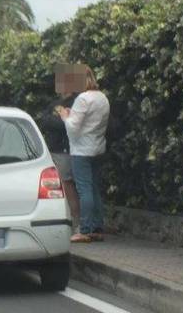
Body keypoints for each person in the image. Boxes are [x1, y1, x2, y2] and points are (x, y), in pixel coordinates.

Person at [58, 66, 110, 243]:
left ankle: (85, 230)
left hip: (81, 151)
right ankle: (97, 227)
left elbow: (73, 129)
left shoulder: (82, 98)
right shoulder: (102, 97)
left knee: (84, 190)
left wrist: (65, 116)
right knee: (94, 189)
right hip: (98, 148)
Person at [39, 92, 80, 232]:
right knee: (53, 187)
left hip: (65, 150)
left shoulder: (76, 101)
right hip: (52, 150)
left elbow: (68, 125)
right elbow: (44, 120)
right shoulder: (55, 102)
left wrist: (56, 121)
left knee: (67, 184)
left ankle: (76, 222)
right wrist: (57, 120)